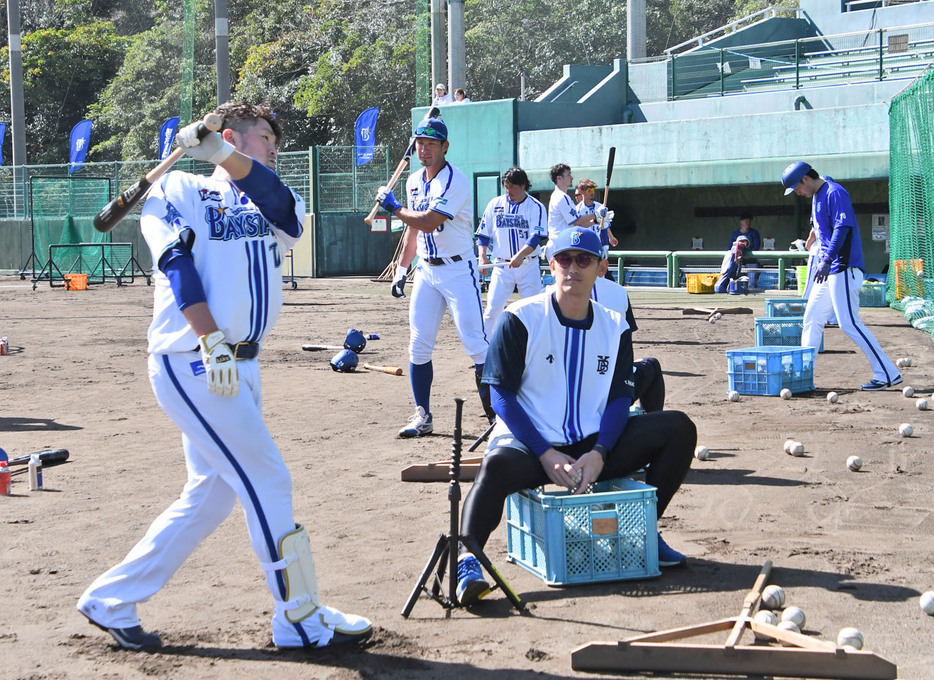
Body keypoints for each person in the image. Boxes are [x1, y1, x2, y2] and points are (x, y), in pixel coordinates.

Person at [77, 103, 372, 651]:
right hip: (194, 359)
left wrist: (223, 153)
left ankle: (111, 597)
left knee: (210, 493)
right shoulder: (178, 188)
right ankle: (298, 615)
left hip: (244, 363)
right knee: (268, 479)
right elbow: (175, 263)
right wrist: (209, 336)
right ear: (233, 134)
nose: (273, 151)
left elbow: (286, 213)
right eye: (264, 139)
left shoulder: (269, 193)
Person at [454, 228, 696, 605]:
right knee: (496, 467)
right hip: (532, 442)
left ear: (601, 268)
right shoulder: (520, 317)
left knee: (678, 429)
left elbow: (620, 398)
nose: (573, 267)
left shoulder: (615, 325)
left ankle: (645, 532)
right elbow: (499, 394)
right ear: (552, 265)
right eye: (564, 259)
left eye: (584, 259)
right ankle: (468, 558)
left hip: (589, 441)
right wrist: (544, 453)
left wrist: (600, 452)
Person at [376, 117, 494, 435]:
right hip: (427, 269)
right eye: (420, 143)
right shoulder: (414, 180)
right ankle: (423, 416)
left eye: (431, 143)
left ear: (445, 147)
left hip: (458, 269)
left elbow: (428, 220)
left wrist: (393, 208)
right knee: (418, 344)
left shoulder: (456, 180)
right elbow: (414, 231)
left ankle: (498, 418)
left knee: (476, 344)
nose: (424, 149)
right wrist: (402, 270)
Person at [782, 161, 901, 390]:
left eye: (797, 188)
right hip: (828, 271)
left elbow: (842, 229)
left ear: (806, 179)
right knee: (812, 318)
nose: (797, 193)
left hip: (843, 268)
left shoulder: (835, 192)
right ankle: (803, 375)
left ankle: (887, 372)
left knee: (849, 324)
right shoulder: (818, 195)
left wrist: (827, 260)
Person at [476, 166, 546, 337]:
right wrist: (482, 256)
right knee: (492, 309)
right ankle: (486, 352)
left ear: (523, 186)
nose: (508, 191)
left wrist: (521, 254)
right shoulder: (495, 204)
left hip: (527, 265)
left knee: (534, 308)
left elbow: (537, 236)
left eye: (512, 186)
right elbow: (483, 234)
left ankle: (534, 349)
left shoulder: (535, 206)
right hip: (502, 266)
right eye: (506, 186)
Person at [574, 178, 618, 280]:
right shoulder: (577, 210)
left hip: (597, 245)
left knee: (600, 276)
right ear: (582, 192)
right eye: (589, 191)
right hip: (583, 246)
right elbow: (577, 227)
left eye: (593, 190)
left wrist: (606, 245)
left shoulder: (600, 207)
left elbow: (604, 227)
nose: (592, 193)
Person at [547, 163, 599, 243]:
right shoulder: (561, 197)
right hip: (559, 245)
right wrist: (597, 214)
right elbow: (577, 221)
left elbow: (577, 224)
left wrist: (596, 221)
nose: (571, 178)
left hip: (562, 244)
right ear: (559, 178)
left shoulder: (561, 196)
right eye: (568, 175)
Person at [729, 211, 760, 287]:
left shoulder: (754, 233)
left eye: (749, 221)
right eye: (746, 221)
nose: (747, 223)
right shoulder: (735, 234)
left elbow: (756, 246)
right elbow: (730, 247)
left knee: (752, 282)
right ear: (741, 222)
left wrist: (745, 253)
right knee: (738, 281)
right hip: (738, 262)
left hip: (751, 261)